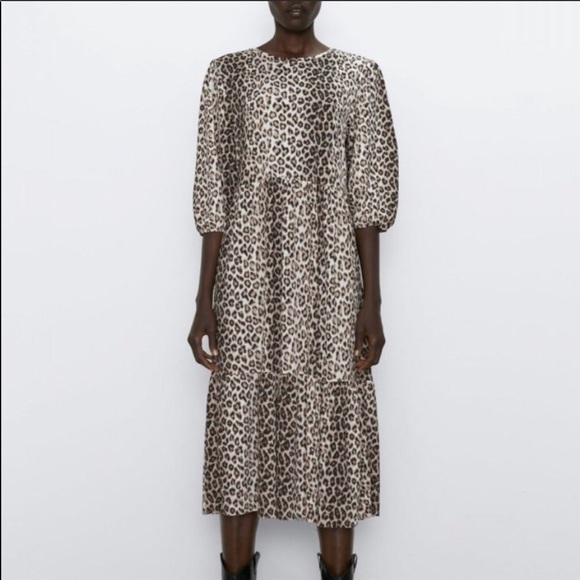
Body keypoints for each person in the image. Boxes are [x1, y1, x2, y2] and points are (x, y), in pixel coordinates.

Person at [187, 1, 398, 578]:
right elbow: (213, 193)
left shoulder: (357, 76)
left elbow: (369, 195)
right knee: (240, 427)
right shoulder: (227, 76)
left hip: (330, 281)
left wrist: (371, 302)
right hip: (246, 281)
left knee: (334, 427)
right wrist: (203, 300)